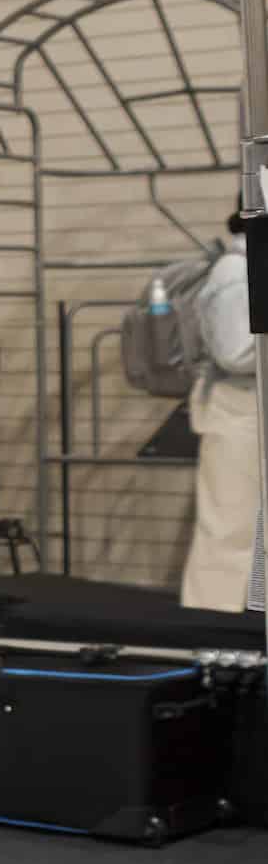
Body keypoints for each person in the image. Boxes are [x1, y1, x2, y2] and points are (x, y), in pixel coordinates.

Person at [181, 209, 260, 612]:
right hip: (240, 409)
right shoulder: (234, 273)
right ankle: (213, 641)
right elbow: (236, 353)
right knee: (229, 530)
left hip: (252, 408)